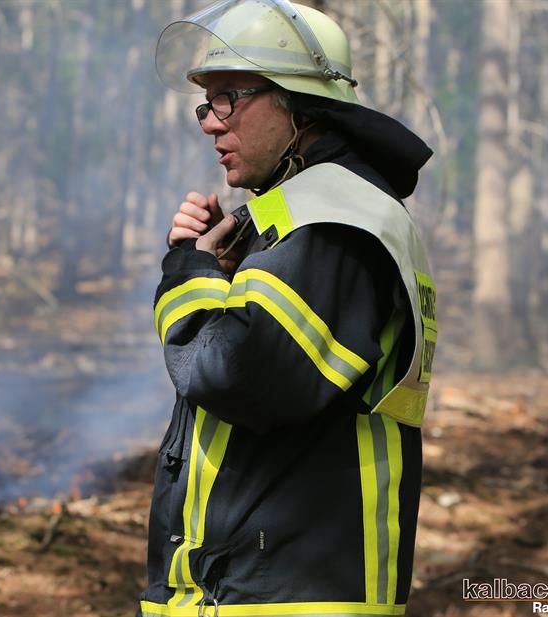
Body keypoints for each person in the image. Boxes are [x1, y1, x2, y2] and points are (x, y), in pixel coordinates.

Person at [141, 1, 438, 616]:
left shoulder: (333, 223)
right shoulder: (305, 214)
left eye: (229, 98)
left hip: (292, 595)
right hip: (262, 586)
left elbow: (235, 376)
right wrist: (226, 269)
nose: (210, 122)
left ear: (299, 104)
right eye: (206, 103)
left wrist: (189, 272)